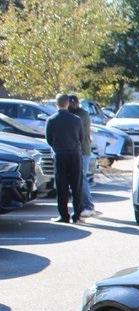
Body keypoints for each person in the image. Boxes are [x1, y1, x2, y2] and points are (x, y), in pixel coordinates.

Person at [44, 94, 83, 223]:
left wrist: (58, 146)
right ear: (68, 104)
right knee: (76, 186)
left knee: (62, 187)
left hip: (60, 155)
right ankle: (77, 215)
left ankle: (64, 215)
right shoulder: (77, 119)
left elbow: (49, 139)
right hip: (75, 155)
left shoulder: (51, 120)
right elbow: (81, 138)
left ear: (57, 104)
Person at [68, 95, 97, 217]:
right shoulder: (79, 114)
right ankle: (85, 204)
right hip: (79, 150)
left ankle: (88, 205)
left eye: (72, 103)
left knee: (81, 178)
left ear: (76, 103)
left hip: (83, 150)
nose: (71, 105)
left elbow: (77, 133)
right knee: (79, 178)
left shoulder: (81, 115)